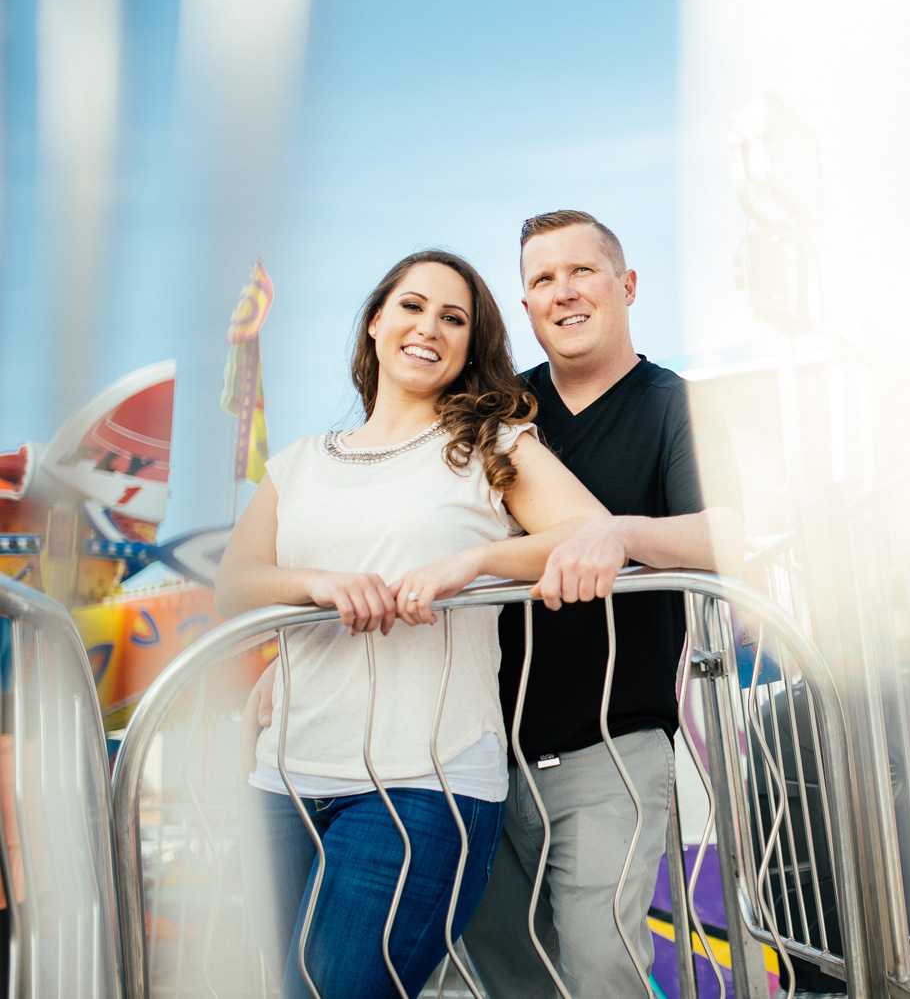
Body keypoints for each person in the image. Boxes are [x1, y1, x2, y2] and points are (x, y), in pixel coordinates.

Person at [217, 249, 608, 999]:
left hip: (422, 786)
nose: (429, 326)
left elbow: (591, 534)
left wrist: (474, 563)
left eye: (453, 318)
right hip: (283, 783)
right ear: (374, 323)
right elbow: (236, 583)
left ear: (471, 346)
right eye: (412, 305)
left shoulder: (491, 442)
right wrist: (318, 585)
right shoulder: (298, 463)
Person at [463, 210, 743, 998]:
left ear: (625, 285)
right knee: (512, 978)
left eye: (582, 271)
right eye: (542, 280)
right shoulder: (495, 413)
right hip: (481, 747)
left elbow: (727, 532)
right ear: (525, 307)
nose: (564, 292)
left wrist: (616, 534)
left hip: (610, 745)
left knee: (598, 966)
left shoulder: (673, 405)